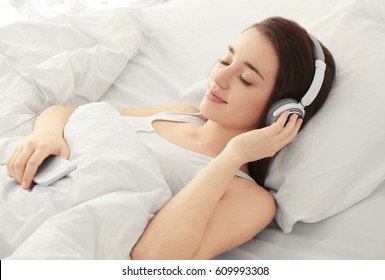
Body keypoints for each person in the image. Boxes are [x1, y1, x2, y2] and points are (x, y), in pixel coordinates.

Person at [6, 16, 336, 259]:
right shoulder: (178, 112)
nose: (219, 76)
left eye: (246, 79)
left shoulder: (249, 199)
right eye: (225, 59)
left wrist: (232, 156)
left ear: (281, 112)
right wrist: (47, 135)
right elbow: (66, 112)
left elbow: (154, 259)